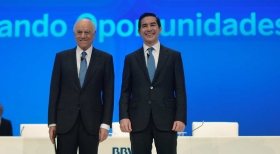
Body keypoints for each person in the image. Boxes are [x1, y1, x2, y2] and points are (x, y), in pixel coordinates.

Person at [119, 12, 187, 154]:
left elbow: (180, 89)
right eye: (144, 26)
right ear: (139, 31)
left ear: (160, 28)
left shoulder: (174, 56)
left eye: (152, 25)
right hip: (138, 121)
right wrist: (123, 116)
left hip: (167, 120)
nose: (149, 29)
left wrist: (180, 118)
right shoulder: (130, 59)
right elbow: (125, 91)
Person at [48, 18, 114, 154]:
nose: (83, 36)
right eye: (79, 32)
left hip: (92, 124)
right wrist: (52, 123)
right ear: (74, 34)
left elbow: (108, 95)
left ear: (94, 34)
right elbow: (54, 92)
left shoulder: (106, 59)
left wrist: (105, 124)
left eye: (87, 32)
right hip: (65, 123)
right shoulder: (61, 57)